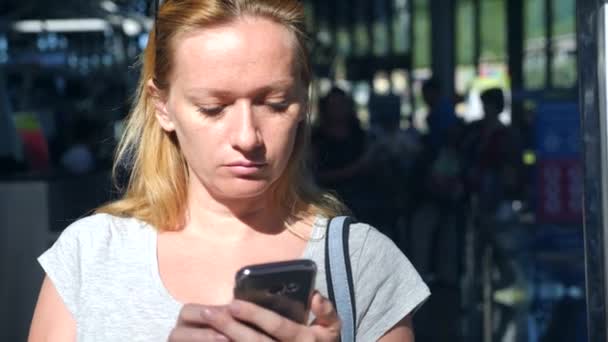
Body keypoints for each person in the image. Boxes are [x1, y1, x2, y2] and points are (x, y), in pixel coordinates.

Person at [28, 1, 430, 341]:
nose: (247, 136)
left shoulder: (361, 264)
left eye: (274, 103)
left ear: (303, 101)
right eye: (213, 108)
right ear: (162, 105)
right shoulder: (91, 256)